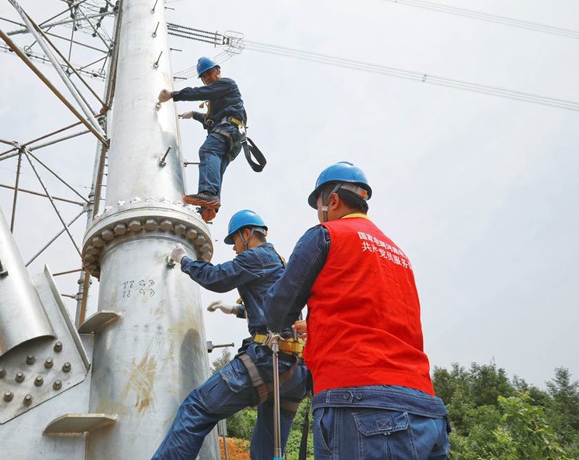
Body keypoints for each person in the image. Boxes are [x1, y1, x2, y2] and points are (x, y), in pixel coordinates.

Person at [264, 161, 450, 459]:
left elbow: (277, 311)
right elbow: (375, 318)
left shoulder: (325, 234)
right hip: (426, 409)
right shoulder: (399, 254)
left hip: (359, 405)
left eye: (320, 206)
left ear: (333, 200)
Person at [152, 210, 309, 460]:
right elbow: (274, 310)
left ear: (247, 234)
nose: (235, 249)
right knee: (266, 451)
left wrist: (185, 261)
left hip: (267, 362)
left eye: (235, 241)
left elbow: (216, 277)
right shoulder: (279, 261)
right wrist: (234, 309)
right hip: (295, 372)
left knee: (197, 408)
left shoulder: (256, 257)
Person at [158, 57, 246, 220]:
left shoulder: (227, 84)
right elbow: (210, 121)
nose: (207, 79)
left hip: (229, 129)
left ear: (218, 70)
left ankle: (208, 194)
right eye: (204, 77)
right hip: (233, 136)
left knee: (208, 150)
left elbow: (201, 92)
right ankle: (209, 207)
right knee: (216, 167)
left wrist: (173, 95)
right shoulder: (219, 98)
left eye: (209, 74)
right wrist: (195, 115)